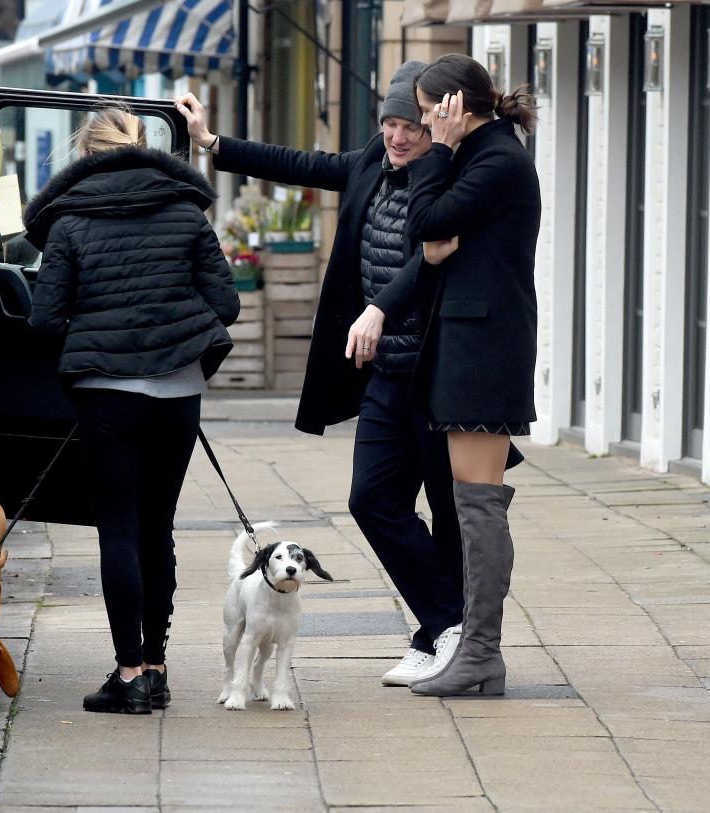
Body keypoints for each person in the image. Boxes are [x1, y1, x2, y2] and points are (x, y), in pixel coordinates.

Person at [176, 63, 471, 688]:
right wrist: (212, 144)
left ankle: (441, 636)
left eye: (409, 127)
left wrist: (379, 308)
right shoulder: (372, 162)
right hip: (385, 373)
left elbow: (432, 257)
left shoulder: (446, 182)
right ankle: (449, 623)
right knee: (371, 500)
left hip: (439, 373)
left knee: (449, 513)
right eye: (389, 124)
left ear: (434, 127)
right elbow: (305, 164)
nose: (395, 137)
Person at [24, 107, 239, 714]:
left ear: (87, 156)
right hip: (178, 392)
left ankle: (130, 672)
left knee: (118, 528)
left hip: (106, 396)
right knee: (157, 528)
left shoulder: (68, 222)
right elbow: (226, 302)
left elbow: (44, 319)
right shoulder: (185, 212)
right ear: (144, 150)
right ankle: (160, 664)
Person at [398, 55, 540, 697]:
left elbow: (424, 221)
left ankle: (480, 652)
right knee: (472, 500)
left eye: (428, 111)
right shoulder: (482, 156)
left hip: (485, 349)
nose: (422, 124)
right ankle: (476, 650)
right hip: (471, 345)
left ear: (454, 107)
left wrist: (439, 153)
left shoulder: (495, 160)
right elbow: (427, 234)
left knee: (479, 503)